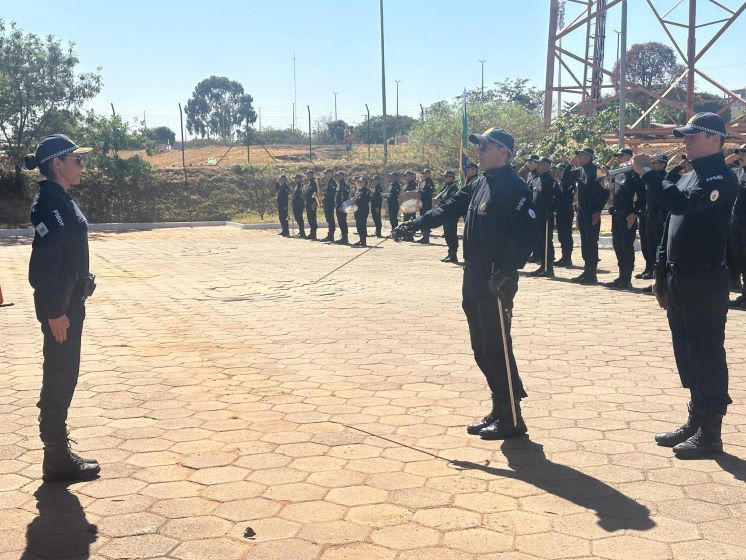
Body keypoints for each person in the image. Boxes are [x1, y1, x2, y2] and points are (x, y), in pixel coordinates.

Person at [393, 127, 536, 439]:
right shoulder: (479, 183)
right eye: (478, 147)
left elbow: (526, 236)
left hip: (496, 277)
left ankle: (513, 418)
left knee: (497, 345)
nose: (478, 152)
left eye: (484, 147)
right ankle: (499, 408)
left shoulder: (516, 189)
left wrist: (507, 272)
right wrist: (415, 224)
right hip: (473, 274)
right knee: (481, 347)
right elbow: (448, 208)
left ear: (503, 152)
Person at [633, 112, 738, 459]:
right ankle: (695, 418)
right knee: (687, 352)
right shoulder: (691, 174)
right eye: (685, 136)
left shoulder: (720, 177)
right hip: (679, 277)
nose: (686, 142)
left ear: (715, 139)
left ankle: (711, 432)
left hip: (704, 278)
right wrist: (660, 272)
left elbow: (683, 204)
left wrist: (649, 174)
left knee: (706, 353)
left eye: (693, 136)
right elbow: (671, 224)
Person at [25, 134, 100, 482]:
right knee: (59, 374)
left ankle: (56, 453)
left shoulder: (60, 199)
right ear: (58, 164)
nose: (81, 166)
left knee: (65, 372)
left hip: (70, 303)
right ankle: (55, 456)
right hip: (62, 308)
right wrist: (55, 311)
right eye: (76, 160)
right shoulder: (50, 204)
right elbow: (45, 265)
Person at [562, 147, 609, 284]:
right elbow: (565, 179)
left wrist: (598, 211)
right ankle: (587, 271)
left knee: (591, 242)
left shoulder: (599, 170)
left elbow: (605, 192)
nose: (578, 157)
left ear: (589, 156)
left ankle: (592, 274)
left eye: (581, 155)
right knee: (585, 242)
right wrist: (569, 165)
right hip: (582, 212)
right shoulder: (580, 170)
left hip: (592, 211)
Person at [605, 147, 645, 289]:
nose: (619, 158)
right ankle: (621, 276)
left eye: (622, 156)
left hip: (627, 214)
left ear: (629, 156)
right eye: (618, 156)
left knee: (626, 247)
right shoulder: (618, 173)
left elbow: (642, 196)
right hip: (616, 214)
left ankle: (627, 278)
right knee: (618, 246)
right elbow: (603, 175)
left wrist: (634, 213)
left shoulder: (634, 174)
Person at [529, 157, 560, 277]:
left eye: (541, 164)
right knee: (539, 241)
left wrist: (551, 210)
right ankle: (542, 265)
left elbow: (559, 198)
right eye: (538, 164)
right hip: (535, 216)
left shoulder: (551, 181)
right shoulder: (535, 180)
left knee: (546, 241)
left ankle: (549, 267)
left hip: (546, 217)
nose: (538, 166)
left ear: (547, 166)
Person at [728, 145, 746, 307]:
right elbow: (722, 165)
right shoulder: (738, 172)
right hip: (737, 223)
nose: (739, 157)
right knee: (740, 259)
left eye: (742, 154)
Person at [435, 169, 461, 263]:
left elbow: (452, 200)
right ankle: (450, 253)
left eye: (446, 177)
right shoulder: (446, 187)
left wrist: (441, 201)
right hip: (445, 213)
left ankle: (453, 255)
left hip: (451, 214)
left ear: (452, 178)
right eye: (444, 176)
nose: (444, 178)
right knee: (447, 234)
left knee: (451, 234)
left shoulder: (454, 188)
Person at [553, 162, 575, 267]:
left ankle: (567, 258)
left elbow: (566, 198)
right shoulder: (560, 182)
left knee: (566, 235)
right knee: (561, 236)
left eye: (559, 170)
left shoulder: (568, 181)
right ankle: (564, 257)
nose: (557, 172)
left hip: (566, 211)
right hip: (560, 211)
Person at [417, 168, 436, 244]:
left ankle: (426, 237)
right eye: (423, 173)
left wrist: (420, 192)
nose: (423, 175)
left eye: (425, 173)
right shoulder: (423, 182)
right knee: (422, 219)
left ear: (429, 174)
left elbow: (429, 192)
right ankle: (423, 236)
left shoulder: (430, 182)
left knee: (426, 220)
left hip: (427, 204)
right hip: (422, 203)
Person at [352, 176, 371, 247]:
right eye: (359, 182)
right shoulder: (358, 190)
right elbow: (355, 198)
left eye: (361, 182)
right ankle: (361, 239)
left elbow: (366, 200)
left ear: (365, 183)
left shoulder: (367, 191)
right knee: (358, 225)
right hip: (357, 210)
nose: (360, 183)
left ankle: (363, 241)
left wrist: (358, 199)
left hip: (363, 210)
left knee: (362, 225)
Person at [320, 168, 337, 242]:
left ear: (330, 174)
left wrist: (324, 193)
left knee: (330, 219)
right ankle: (329, 235)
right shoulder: (328, 182)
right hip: (326, 203)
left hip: (330, 203)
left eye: (326, 173)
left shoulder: (333, 182)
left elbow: (332, 193)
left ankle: (331, 235)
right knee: (328, 218)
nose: (325, 175)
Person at [335, 170, 350, 245]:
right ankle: (343, 237)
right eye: (337, 176)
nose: (337, 177)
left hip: (342, 206)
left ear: (343, 176)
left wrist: (342, 206)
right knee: (340, 221)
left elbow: (345, 197)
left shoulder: (345, 185)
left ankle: (345, 238)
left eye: (339, 176)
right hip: (338, 206)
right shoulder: (339, 185)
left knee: (343, 221)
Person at [304, 169, 319, 240]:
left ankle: (314, 234)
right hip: (308, 202)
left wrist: (314, 203)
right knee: (309, 218)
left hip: (312, 203)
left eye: (309, 174)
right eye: (307, 174)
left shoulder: (314, 183)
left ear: (312, 175)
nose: (307, 176)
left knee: (312, 218)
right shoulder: (310, 182)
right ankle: (312, 233)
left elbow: (315, 193)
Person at [291, 173, 306, 238]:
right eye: (295, 178)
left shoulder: (301, 185)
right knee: (297, 218)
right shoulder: (297, 185)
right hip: (296, 204)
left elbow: (301, 195)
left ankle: (302, 233)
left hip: (299, 204)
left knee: (299, 218)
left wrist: (294, 199)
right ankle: (301, 232)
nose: (295, 179)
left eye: (297, 178)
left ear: (300, 179)